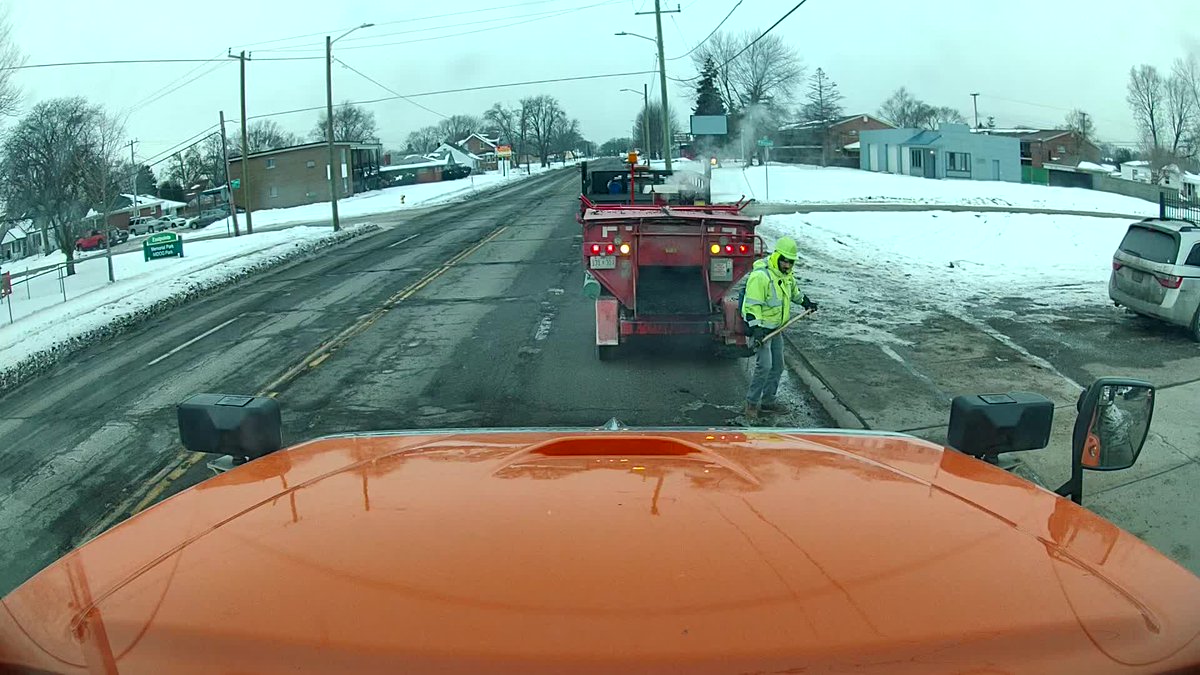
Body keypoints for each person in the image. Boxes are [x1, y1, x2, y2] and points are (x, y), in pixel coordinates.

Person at [741, 237, 817, 420]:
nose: (788, 265)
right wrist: (756, 328)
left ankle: (768, 402)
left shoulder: (786, 275)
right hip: (762, 330)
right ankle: (751, 404)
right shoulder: (761, 277)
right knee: (764, 367)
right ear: (777, 256)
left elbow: (794, 293)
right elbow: (752, 305)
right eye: (785, 261)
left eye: (791, 262)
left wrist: (806, 302)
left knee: (778, 367)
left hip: (777, 329)